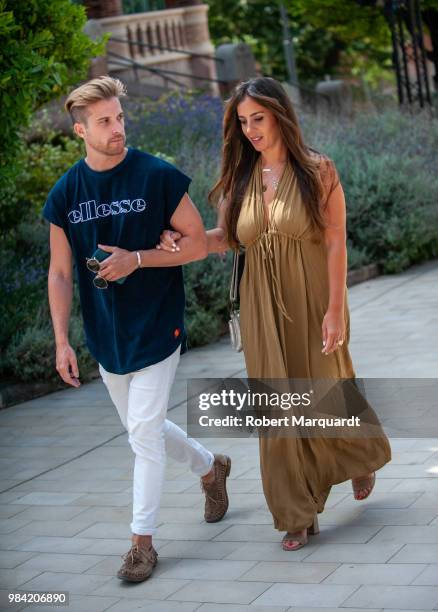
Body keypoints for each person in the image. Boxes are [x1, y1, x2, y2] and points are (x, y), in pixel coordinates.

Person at [158, 76, 391, 551]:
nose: (251, 130)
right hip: (261, 305)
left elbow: (334, 239)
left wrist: (334, 310)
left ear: (280, 114)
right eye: (243, 122)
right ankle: (294, 512)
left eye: (258, 118)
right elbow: (224, 239)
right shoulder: (241, 179)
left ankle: (358, 455)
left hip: (312, 298)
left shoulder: (317, 170)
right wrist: (178, 240)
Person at [42, 76, 231, 582]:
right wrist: (62, 341)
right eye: (104, 121)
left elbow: (199, 243)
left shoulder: (156, 177)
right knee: (142, 430)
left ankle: (141, 544)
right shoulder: (66, 194)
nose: (116, 128)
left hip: (157, 323)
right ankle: (212, 468)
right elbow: (60, 272)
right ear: (80, 130)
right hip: (107, 334)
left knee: (142, 436)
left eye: (120, 118)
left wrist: (140, 260)